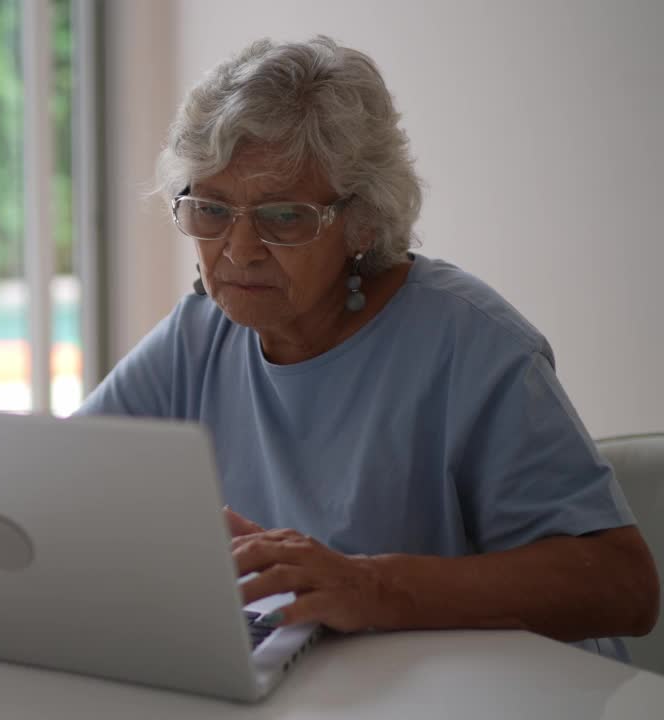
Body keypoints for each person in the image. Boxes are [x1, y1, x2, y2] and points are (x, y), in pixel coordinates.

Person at [76, 36, 658, 659]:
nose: (239, 250)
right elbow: (60, 487)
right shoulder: (199, 334)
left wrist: (374, 585)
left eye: (283, 217)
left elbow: (622, 586)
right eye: (212, 211)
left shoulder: (471, 342)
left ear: (363, 222)